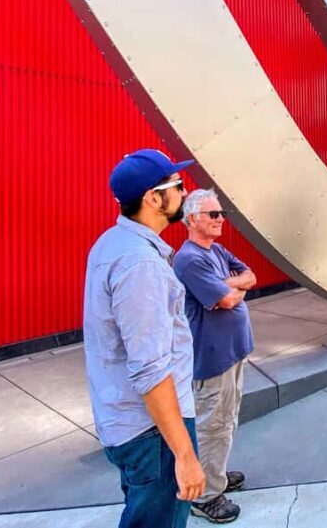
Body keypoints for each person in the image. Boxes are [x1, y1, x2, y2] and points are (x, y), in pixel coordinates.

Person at [83, 149, 205, 528]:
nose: (186, 193)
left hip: (136, 427)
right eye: (178, 186)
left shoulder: (112, 244)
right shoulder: (140, 264)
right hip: (153, 431)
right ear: (154, 198)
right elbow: (150, 369)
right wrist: (184, 456)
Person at [173, 188, 256, 524]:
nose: (221, 220)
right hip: (211, 357)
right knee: (212, 425)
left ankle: (215, 476)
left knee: (227, 420)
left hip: (233, 352)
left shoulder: (217, 249)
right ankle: (205, 496)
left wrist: (228, 284)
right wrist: (232, 288)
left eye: (221, 214)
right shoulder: (189, 259)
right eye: (214, 215)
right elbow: (226, 300)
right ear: (192, 219)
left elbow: (251, 276)